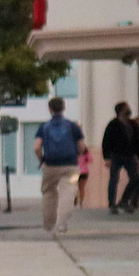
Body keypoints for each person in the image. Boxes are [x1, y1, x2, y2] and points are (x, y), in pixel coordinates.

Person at [35, 96, 83, 234]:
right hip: (70, 167)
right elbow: (82, 146)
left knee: (49, 193)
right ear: (64, 108)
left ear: (50, 109)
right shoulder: (73, 126)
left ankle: (49, 225)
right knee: (68, 193)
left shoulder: (44, 127)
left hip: (50, 166)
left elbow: (37, 147)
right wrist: (76, 156)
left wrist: (42, 159)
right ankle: (62, 224)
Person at [102, 102, 139, 214]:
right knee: (114, 180)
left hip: (130, 156)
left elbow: (138, 141)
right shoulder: (113, 125)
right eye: (127, 109)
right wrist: (106, 157)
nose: (129, 111)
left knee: (135, 178)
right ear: (120, 111)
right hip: (116, 156)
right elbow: (106, 141)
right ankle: (112, 204)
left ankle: (124, 201)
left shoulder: (133, 124)